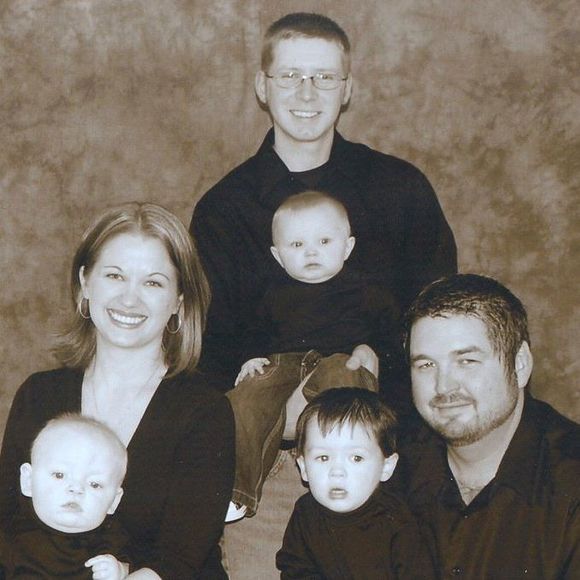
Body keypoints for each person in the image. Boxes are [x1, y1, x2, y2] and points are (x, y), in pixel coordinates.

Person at [191, 12, 456, 578]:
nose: (307, 93)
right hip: (274, 468)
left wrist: (372, 397)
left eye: (324, 77)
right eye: (290, 76)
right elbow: (209, 350)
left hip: (393, 459)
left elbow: (440, 322)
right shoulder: (224, 210)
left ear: (347, 88)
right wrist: (283, 416)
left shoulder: (400, 190)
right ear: (263, 87)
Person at [0, 202, 235, 579]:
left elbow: (178, 561)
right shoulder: (39, 395)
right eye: (114, 276)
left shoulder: (205, 410)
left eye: (153, 282)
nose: (129, 299)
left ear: (178, 301)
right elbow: (8, 519)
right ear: (85, 283)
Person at [228, 191, 399, 519]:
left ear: (347, 247)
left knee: (346, 388)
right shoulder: (268, 293)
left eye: (324, 241)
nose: (311, 252)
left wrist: (373, 350)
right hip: (283, 363)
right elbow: (250, 331)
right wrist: (250, 357)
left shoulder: (368, 291)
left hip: (341, 360)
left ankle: (353, 476)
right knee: (244, 399)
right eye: (296, 245)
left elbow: (393, 335)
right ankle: (239, 490)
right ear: (278, 256)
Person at [400, 273, 579, 578]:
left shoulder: (571, 483)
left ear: (520, 364)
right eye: (426, 365)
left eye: (466, 361)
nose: (443, 386)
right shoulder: (386, 470)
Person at [276, 388, 436, 579]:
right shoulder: (305, 512)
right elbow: (294, 568)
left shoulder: (399, 523)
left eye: (356, 458)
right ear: (303, 467)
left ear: (386, 467)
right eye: (323, 457)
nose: (337, 472)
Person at [6, 414, 130, 579]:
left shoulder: (111, 542)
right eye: (59, 475)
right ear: (28, 481)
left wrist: (120, 570)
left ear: (114, 501)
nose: (76, 489)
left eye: (94, 484)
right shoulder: (11, 538)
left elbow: (133, 564)